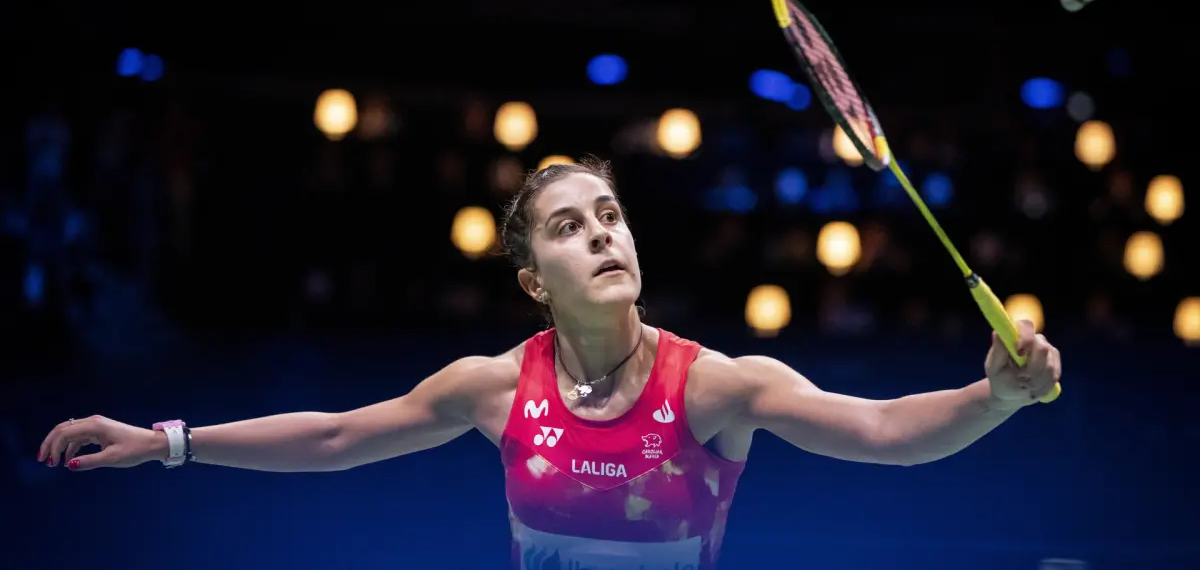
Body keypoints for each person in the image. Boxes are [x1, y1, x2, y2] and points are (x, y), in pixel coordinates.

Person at [37, 158, 1062, 570]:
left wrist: (995, 395)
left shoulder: (714, 386)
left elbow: (882, 431)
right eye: (571, 226)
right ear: (534, 279)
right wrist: (167, 442)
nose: (604, 234)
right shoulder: (493, 389)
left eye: (611, 215)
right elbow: (340, 436)